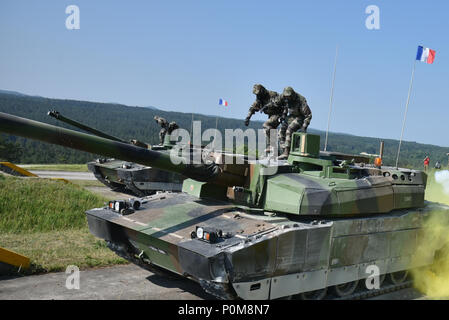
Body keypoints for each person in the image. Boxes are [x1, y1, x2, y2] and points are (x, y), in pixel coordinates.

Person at [244, 84, 284, 152]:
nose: (258, 96)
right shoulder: (259, 99)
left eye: (259, 94)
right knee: (267, 130)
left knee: (266, 125)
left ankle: (273, 145)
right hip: (271, 115)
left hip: (279, 114)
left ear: (262, 91)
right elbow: (253, 108)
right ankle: (274, 149)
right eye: (256, 94)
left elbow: (279, 102)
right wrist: (248, 117)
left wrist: (268, 106)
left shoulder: (272, 94)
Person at [277, 87, 312, 160]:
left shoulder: (300, 100)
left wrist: (304, 127)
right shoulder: (284, 98)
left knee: (289, 131)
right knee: (280, 132)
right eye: (286, 96)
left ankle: (286, 152)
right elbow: (285, 107)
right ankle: (284, 151)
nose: (287, 98)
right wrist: (283, 115)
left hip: (300, 117)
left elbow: (308, 115)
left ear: (292, 95)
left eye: (289, 96)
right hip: (291, 116)